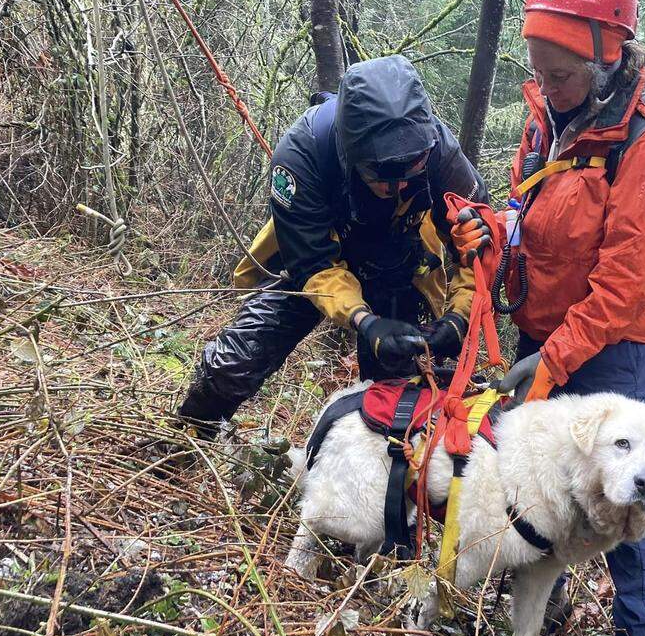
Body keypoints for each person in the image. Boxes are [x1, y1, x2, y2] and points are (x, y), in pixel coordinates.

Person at [453, 0, 645, 636]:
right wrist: (491, 230)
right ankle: (535, 600)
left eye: (561, 73)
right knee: (539, 478)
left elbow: (625, 282)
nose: (547, 87)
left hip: (611, 346)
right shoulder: (552, 116)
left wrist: (556, 358)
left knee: (626, 496)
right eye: (539, 69)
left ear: (607, 53)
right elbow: (534, 207)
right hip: (542, 331)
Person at [178, 55, 488, 433]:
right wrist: (364, 321)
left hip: (395, 262)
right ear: (351, 154)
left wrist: (458, 317)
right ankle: (190, 435)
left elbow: (476, 249)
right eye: (382, 174)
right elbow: (312, 264)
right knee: (238, 361)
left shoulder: (439, 152)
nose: (399, 187)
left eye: (412, 169)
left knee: (394, 388)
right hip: (313, 259)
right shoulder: (300, 157)